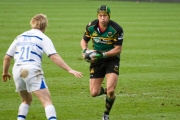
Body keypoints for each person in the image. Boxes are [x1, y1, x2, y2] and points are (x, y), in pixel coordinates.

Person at [2, 14, 83, 120]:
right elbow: (53, 56)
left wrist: (5, 72)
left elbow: (7, 58)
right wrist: (69, 69)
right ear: (45, 26)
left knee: (26, 100)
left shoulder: (20, 37)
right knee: (47, 101)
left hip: (17, 70)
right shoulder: (43, 37)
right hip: (31, 69)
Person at [80, 5, 124, 120]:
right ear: (97, 16)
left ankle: (106, 114)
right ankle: (106, 93)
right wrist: (85, 50)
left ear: (109, 16)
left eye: (105, 15)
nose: (102, 18)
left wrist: (103, 54)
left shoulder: (116, 29)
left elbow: (118, 49)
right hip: (96, 60)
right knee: (94, 92)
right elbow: (84, 41)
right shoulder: (91, 27)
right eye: (100, 15)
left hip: (111, 59)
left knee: (111, 89)